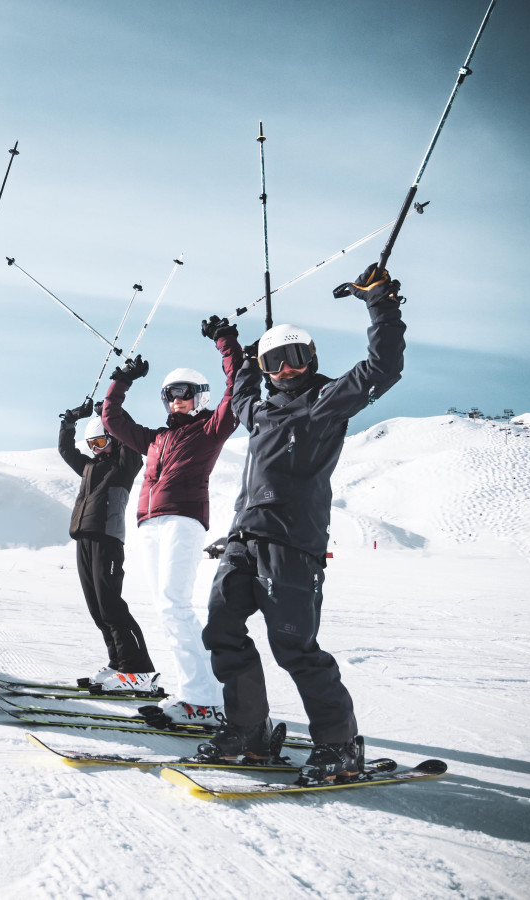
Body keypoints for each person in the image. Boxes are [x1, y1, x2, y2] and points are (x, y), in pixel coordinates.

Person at [196, 264, 406, 783]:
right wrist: (231, 345)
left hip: (293, 544)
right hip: (243, 541)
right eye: (276, 362)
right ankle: (249, 731)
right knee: (222, 631)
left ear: (311, 360)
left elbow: (383, 367)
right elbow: (240, 388)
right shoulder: (260, 413)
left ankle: (339, 745)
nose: (286, 370)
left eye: (296, 359)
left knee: (294, 646)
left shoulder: (326, 403)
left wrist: (380, 304)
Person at [101, 320, 243, 724]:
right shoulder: (156, 438)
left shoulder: (211, 429)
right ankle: (199, 693)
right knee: (166, 608)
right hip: (150, 524)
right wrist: (122, 380)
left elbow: (235, 390)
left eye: (184, 394)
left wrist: (225, 343)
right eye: (169, 395)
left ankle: (204, 698)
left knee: (176, 605)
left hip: (183, 518)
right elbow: (112, 419)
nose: (176, 401)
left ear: (200, 397)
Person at [56, 400, 153, 692]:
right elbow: (65, 450)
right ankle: (119, 664)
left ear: (112, 438)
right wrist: (69, 421)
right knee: (97, 608)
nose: (96, 449)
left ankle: (138, 670)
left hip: (107, 539)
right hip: (83, 537)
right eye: (92, 444)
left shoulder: (125, 465)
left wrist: (111, 412)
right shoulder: (88, 467)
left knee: (111, 606)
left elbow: (131, 440)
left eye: (100, 441)